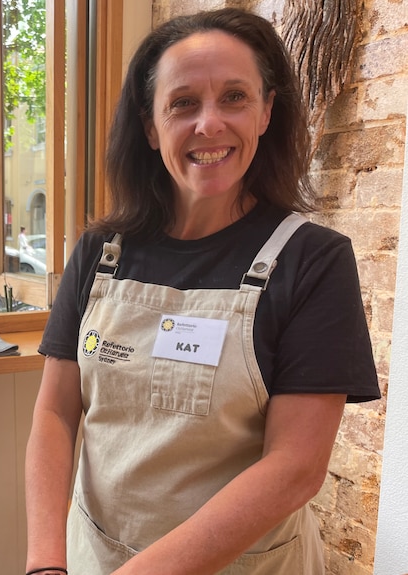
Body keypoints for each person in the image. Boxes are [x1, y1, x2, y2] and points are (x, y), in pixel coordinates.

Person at [24, 8, 380, 575]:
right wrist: (45, 563)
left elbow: (294, 468)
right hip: (95, 555)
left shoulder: (312, 261)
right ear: (150, 125)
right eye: (183, 102)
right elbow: (56, 413)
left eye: (234, 97)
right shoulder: (100, 252)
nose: (208, 124)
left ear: (266, 111)